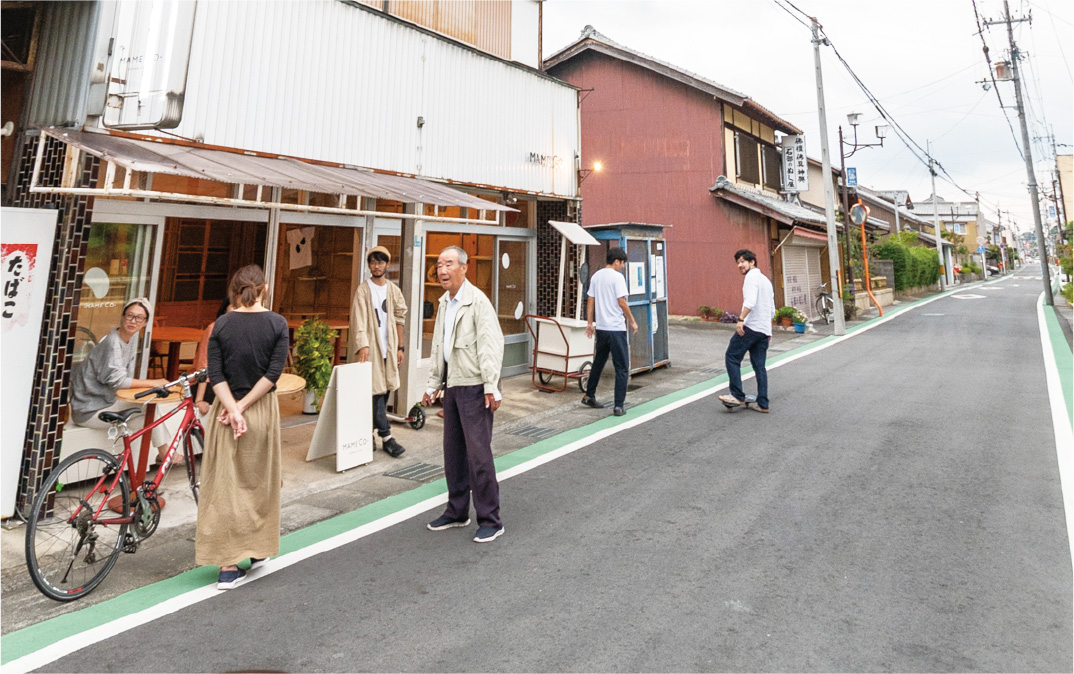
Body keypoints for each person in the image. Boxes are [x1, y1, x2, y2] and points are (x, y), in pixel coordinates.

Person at [195, 265, 289, 589]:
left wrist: (233, 409)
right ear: (264, 288)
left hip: (225, 409)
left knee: (225, 485)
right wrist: (245, 408)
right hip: (261, 410)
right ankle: (257, 548)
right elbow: (273, 373)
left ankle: (228, 566)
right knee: (260, 481)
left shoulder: (221, 324)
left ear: (234, 289)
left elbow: (214, 374)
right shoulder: (278, 323)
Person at [422, 246, 506, 544]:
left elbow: (490, 345)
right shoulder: (445, 302)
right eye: (439, 264)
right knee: (453, 453)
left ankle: (491, 520)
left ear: (464, 268)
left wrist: (491, 385)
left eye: (448, 264)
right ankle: (457, 511)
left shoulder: (477, 301)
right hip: (454, 386)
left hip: (475, 386)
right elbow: (439, 347)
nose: (442, 270)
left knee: (479, 455)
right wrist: (433, 383)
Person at [69, 298, 173, 464]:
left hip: (102, 403)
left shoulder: (128, 340)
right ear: (122, 317)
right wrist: (153, 383)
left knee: (149, 416)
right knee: (148, 407)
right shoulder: (112, 343)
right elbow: (118, 381)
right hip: (89, 410)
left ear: (145, 323)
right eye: (130, 316)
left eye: (139, 318)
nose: (133, 321)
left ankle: (152, 463)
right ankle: (166, 454)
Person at [349, 245, 408, 458]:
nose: (376, 266)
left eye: (380, 262)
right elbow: (358, 320)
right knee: (375, 392)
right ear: (369, 265)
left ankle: (368, 434)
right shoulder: (363, 290)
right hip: (371, 348)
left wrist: (400, 347)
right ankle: (387, 437)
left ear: (387, 264)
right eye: (373, 262)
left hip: (389, 348)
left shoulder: (392, 290)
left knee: (385, 391)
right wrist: (362, 344)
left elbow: (400, 318)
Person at [580, 247, 638, 417]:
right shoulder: (617, 278)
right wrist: (632, 321)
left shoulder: (596, 276)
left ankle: (589, 395)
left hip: (602, 328)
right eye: (622, 264)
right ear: (617, 261)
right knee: (622, 367)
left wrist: (590, 323)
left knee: (599, 362)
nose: (622, 267)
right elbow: (622, 302)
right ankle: (618, 405)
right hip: (616, 328)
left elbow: (590, 301)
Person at [718, 249, 775, 413]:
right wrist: (768, 330)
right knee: (759, 366)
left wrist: (741, 319)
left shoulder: (751, 278)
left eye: (743, 261)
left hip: (751, 327)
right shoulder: (765, 280)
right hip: (763, 330)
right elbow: (772, 309)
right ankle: (763, 404)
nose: (740, 265)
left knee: (732, 356)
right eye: (737, 262)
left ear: (752, 262)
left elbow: (750, 301)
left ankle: (737, 395)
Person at [192, 298, 233, 422]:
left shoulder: (247, 332)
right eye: (234, 306)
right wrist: (199, 399)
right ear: (225, 308)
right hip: (211, 382)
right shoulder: (214, 328)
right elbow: (204, 363)